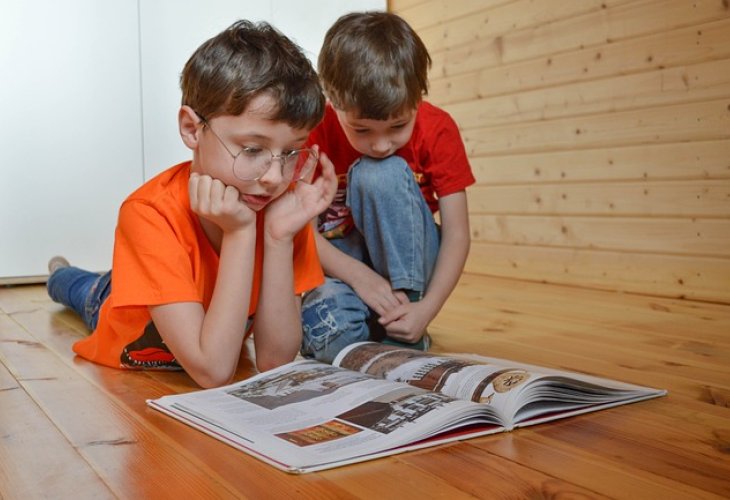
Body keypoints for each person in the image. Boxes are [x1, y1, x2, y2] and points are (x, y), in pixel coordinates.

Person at [46, 20, 336, 388]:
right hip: (117, 304)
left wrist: (277, 238)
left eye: (291, 152)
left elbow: (275, 360)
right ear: (191, 129)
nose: (275, 178)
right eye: (252, 149)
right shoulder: (147, 213)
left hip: (172, 286)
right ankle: (59, 271)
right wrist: (241, 232)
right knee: (80, 288)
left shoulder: (280, 211)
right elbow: (213, 371)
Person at [300, 12, 475, 363]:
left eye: (398, 126)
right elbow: (297, 232)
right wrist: (358, 276)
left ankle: (403, 320)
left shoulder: (438, 128)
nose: (381, 144)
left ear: (418, 98)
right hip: (341, 266)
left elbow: (457, 234)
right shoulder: (312, 130)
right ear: (333, 102)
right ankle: (376, 329)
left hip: (408, 270)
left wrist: (426, 309)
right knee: (331, 338)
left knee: (378, 173)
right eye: (361, 130)